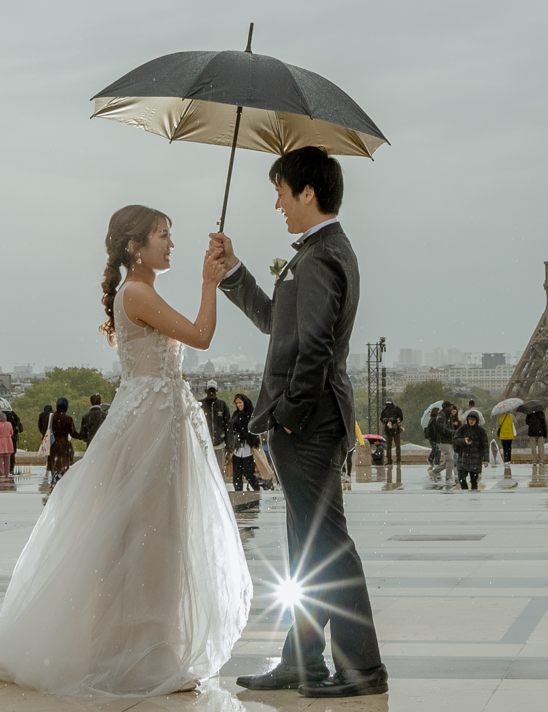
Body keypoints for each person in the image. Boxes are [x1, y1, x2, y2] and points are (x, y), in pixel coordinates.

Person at [0, 203, 249, 696]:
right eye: (162, 235)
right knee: (151, 537)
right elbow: (200, 336)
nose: (170, 244)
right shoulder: (137, 292)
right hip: (153, 425)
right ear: (135, 247)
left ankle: (145, 649)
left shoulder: (141, 290)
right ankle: (140, 656)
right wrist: (207, 284)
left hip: (158, 420)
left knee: (156, 536)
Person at [209, 146, 386, 697]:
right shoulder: (317, 254)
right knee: (310, 549)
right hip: (311, 421)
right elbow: (276, 323)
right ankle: (303, 660)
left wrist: (286, 417)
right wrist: (233, 272)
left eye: (281, 191)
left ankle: (361, 670)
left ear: (307, 192)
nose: (278, 204)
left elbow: (313, 348)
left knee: (327, 547)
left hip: (307, 424)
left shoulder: (323, 257)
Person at [43, 398, 78, 484]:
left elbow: (44, 430)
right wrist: (83, 436)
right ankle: (61, 483)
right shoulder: (68, 418)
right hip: (64, 445)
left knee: (54, 465)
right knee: (63, 465)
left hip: (53, 444)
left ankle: (54, 480)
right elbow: (73, 433)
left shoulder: (50, 417)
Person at [451, 410, 488, 489]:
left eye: (473, 420)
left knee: (474, 481)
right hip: (464, 458)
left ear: (476, 420)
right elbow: (455, 439)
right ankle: (465, 492)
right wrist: (463, 441)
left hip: (475, 459)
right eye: (470, 419)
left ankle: (473, 497)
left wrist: (486, 459)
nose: (471, 421)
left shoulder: (481, 431)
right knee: (461, 478)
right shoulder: (462, 429)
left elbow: (485, 446)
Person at [231, 393, 260, 490]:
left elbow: (252, 432)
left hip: (248, 448)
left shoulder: (250, 415)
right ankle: (239, 494)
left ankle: (256, 490)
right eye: (237, 403)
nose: (238, 405)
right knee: (237, 475)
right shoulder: (236, 415)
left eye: (240, 402)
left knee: (249, 474)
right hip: (238, 449)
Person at [202, 384, 231, 477]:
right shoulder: (200, 405)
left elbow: (228, 427)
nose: (211, 393)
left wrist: (230, 449)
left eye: (213, 391)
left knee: (219, 472)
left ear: (216, 391)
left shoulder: (222, 405)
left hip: (219, 445)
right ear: (206, 391)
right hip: (205, 446)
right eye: (209, 391)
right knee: (205, 472)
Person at [426, 405, 454, 483]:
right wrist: (454, 433)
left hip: (447, 441)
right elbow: (444, 430)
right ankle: (448, 478)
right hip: (442, 441)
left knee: (449, 461)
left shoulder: (448, 417)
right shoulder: (441, 418)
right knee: (450, 460)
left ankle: (434, 471)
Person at [524, 402, 547, 478]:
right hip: (540, 432)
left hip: (532, 432)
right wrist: (545, 433)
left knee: (533, 447)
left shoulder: (529, 413)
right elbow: (544, 424)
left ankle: (534, 460)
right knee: (541, 447)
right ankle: (541, 461)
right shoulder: (541, 413)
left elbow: (527, 422)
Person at [0, 409, 15, 481]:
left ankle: (0, 473)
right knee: (7, 459)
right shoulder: (9, 424)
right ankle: (6, 472)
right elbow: (11, 433)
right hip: (8, 442)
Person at [497, 409, 517, 478]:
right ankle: (509, 460)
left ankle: (506, 460)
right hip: (510, 435)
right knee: (509, 447)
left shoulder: (500, 417)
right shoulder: (511, 416)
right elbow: (515, 421)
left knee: (505, 447)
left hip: (503, 435)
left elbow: (498, 425)